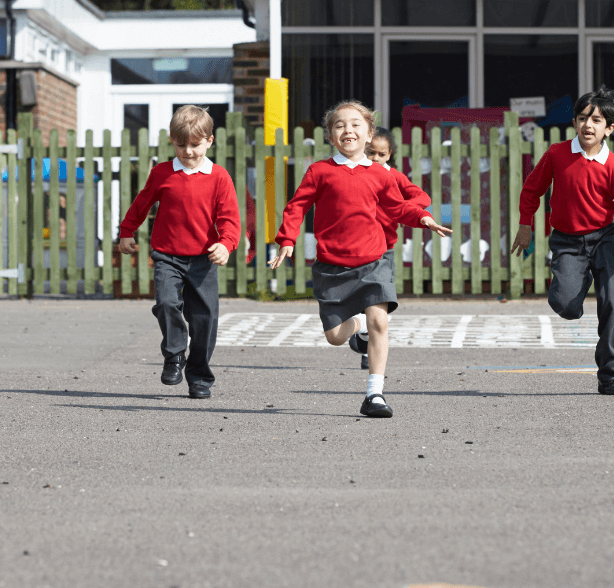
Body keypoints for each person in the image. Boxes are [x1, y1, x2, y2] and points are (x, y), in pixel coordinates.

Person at [269, 100, 451, 418]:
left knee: (381, 319)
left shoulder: (380, 174)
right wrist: (287, 239)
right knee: (335, 337)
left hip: (373, 260)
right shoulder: (319, 171)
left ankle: (374, 394)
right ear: (330, 135)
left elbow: (398, 207)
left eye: (356, 124)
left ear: (368, 134)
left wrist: (422, 218)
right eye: (340, 125)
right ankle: (357, 324)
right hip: (332, 265)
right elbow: (296, 206)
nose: (348, 130)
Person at [510, 86, 614, 396]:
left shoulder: (613, 167)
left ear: (609, 128)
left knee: (612, 302)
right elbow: (532, 190)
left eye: (597, 120)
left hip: (604, 239)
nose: (588, 125)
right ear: (574, 122)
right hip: (567, 242)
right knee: (566, 305)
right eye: (583, 118)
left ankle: (610, 374)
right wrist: (525, 225)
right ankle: (575, 283)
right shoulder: (557, 154)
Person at [118, 105, 239, 399]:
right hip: (167, 256)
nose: (187, 151)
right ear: (172, 141)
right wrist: (126, 231)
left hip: (203, 259)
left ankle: (199, 377)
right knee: (166, 304)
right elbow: (141, 204)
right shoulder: (163, 172)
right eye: (180, 144)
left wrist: (226, 243)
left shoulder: (219, 176)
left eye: (195, 144)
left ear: (209, 141)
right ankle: (174, 355)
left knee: (204, 320)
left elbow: (230, 218)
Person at [353, 126, 433, 369]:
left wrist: (399, 209)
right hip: (356, 246)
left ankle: (369, 348)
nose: (375, 158)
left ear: (390, 155)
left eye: (381, 154)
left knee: (381, 299)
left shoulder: (394, 177)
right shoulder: (355, 173)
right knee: (359, 297)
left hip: (384, 248)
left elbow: (422, 197)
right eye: (370, 153)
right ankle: (364, 335)